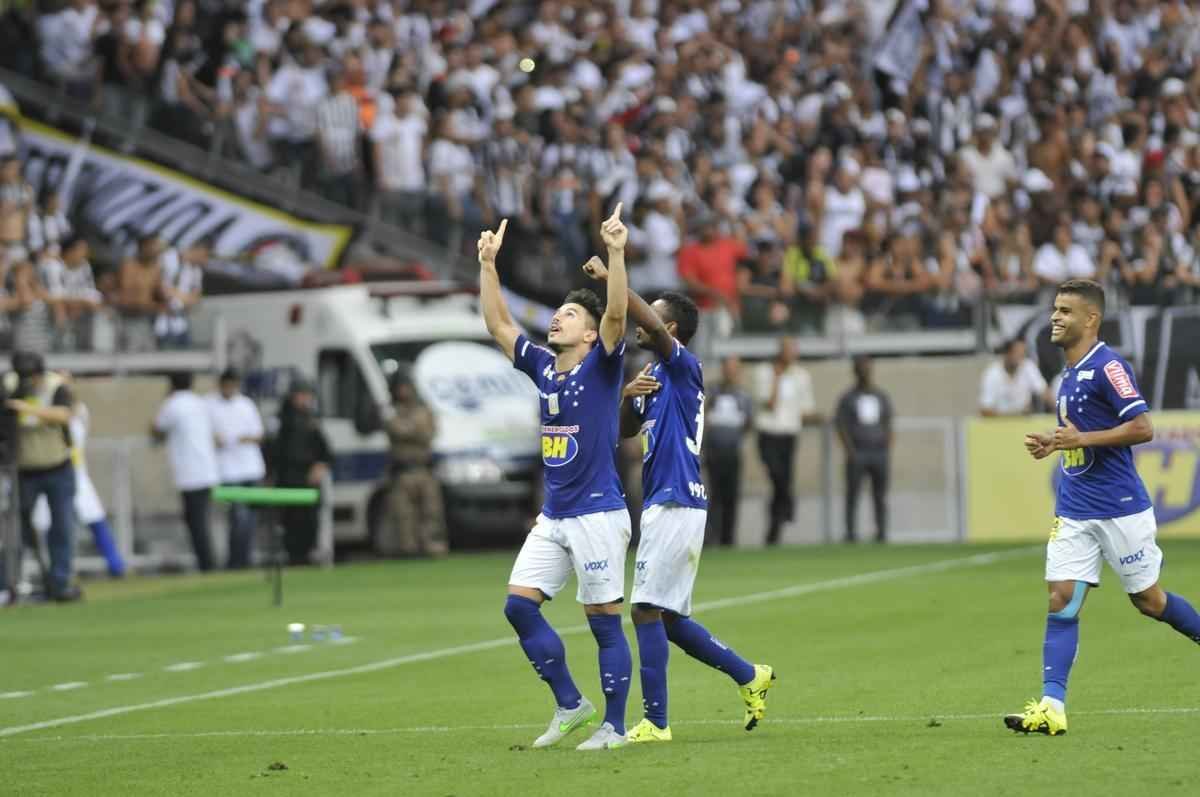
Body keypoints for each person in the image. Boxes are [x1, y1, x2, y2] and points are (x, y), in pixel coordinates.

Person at [583, 261, 776, 744]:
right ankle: (749, 674)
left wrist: (613, 280)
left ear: (669, 329)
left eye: (652, 317)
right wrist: (626, 395)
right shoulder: (651, 374)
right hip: (665, 501)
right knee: (666, 617)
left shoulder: (684, 366)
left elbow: (647, 322)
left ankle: (656, 722)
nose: (640, 324)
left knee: (644, 610)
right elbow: (626, 430)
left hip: (677, 498)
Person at [1005, 279, 1200, 736]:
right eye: (1055, 309)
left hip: (1119, 508)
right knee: (1060, 599)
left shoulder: (1109, 366)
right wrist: (1056, 443)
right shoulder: (1068, 373)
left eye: (1065, 311)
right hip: (1074, 508)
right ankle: (1052, 707)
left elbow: (1143, 428)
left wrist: (1081, 439)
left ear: (1091, 319)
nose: (1055, 318)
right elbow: (1079, 436)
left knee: (1149, 601)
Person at [480, 207, 633, 751]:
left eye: (568, 315)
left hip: (597, 514)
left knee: (603, 620)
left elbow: (617, 311)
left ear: (590, 333)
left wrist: (616, 252)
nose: (556, 319)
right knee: (518, 606)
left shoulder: (602, 364)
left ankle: (615, 727)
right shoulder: (544, 368)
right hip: (555, 516)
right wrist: (488, 266)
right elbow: (500, 326)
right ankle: (571, 704)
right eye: (556, 313)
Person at [1, 350, 79, 601]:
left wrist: (27, 408)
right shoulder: (9, 385)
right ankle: (13, 582)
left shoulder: (55, 386)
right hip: (25, 470)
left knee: (62, 526)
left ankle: (60, 583)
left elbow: (65, 414)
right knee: (19, 529)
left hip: (57, 466)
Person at [32, 383, 126, 578]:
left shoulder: (77, 413)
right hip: (52, 475)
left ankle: (115, 565)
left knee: (95, 519)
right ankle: (53, 570)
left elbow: (71, 412)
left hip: (76, 475)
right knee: (47, 525)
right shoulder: (47, 415)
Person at [753, 338, 819, 545]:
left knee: (782, 483)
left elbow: (806, 408)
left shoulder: (801, 376)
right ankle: (788, 506)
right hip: (769, 433)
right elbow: (769, 403)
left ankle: (774, 531)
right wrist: (777, 378)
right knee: (778, 478)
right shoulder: (764, 372)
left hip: (789, 434)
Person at [152, 371, 218, 571]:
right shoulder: (201, 403)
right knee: (200, 519)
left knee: (195, 521)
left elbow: (157, 428)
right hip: (207, 469)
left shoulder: (173, 404)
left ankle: (207, 565)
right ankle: (207, 562)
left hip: (190, 472)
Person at [382, 367, 446, 557]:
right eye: (401, 386)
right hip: (402, 472)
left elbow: (428, 433)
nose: (404, 390)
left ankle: (431, 548)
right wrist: (414, 428)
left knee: (431, 513)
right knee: (404, 516)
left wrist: (409, 428)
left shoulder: (423, 409)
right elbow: (396, 429)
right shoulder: (391, 410)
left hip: (424, 470)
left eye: (407, 386)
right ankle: (408, 550)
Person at [269, 378, 332, 566]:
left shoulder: (312, 421)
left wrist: (320, 466)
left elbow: (326, 453)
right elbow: (271, 452)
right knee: (290, 522)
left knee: (310, 522)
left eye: (308, 395)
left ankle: (308, 556)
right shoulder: (280, 421)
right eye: (302, 395)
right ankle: (293, 558)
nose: (305, 399)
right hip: (286, 478)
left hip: (308, 480)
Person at [207, 369, 266, 569]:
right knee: (238, 517)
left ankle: (244, 559)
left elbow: (258, 435)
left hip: (251, 469)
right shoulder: (210, 405)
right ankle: (236, 561)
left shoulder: (246, 404)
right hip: (228, 471)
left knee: (250, 519)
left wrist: (238, 439)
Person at [835, 356, 894, 543]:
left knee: (880, 495)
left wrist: (887, 446)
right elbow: (841, 425)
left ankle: (881, 532)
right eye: (861, 368)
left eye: (867, 368)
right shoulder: (848, 398)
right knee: (853, 494)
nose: (864, 372)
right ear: (855, 371)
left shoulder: (880, 396)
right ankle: (851, 533)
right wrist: (849, 450)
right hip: (858, 452)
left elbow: (888, 422)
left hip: (879, 452)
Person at [703, 356, 753, 547]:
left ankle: (728, 539)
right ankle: (711, 537)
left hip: (733, 451)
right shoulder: (712, 392)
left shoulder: (743, 395)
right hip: (713, 451)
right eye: (728, 368)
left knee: (731, 496)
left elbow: (749, 422)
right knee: (714, 496)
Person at [979, 339, 1053, 417]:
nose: (1020, 359)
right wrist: (1013, 414)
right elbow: (985, 410)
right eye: (1017, 354)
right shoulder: (992, 374)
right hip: (1000, 421)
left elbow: (1044, 392)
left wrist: (1057, 409)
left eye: (1023, 354)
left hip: (1024, 420)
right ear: (1007, 353)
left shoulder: (1028, 367)